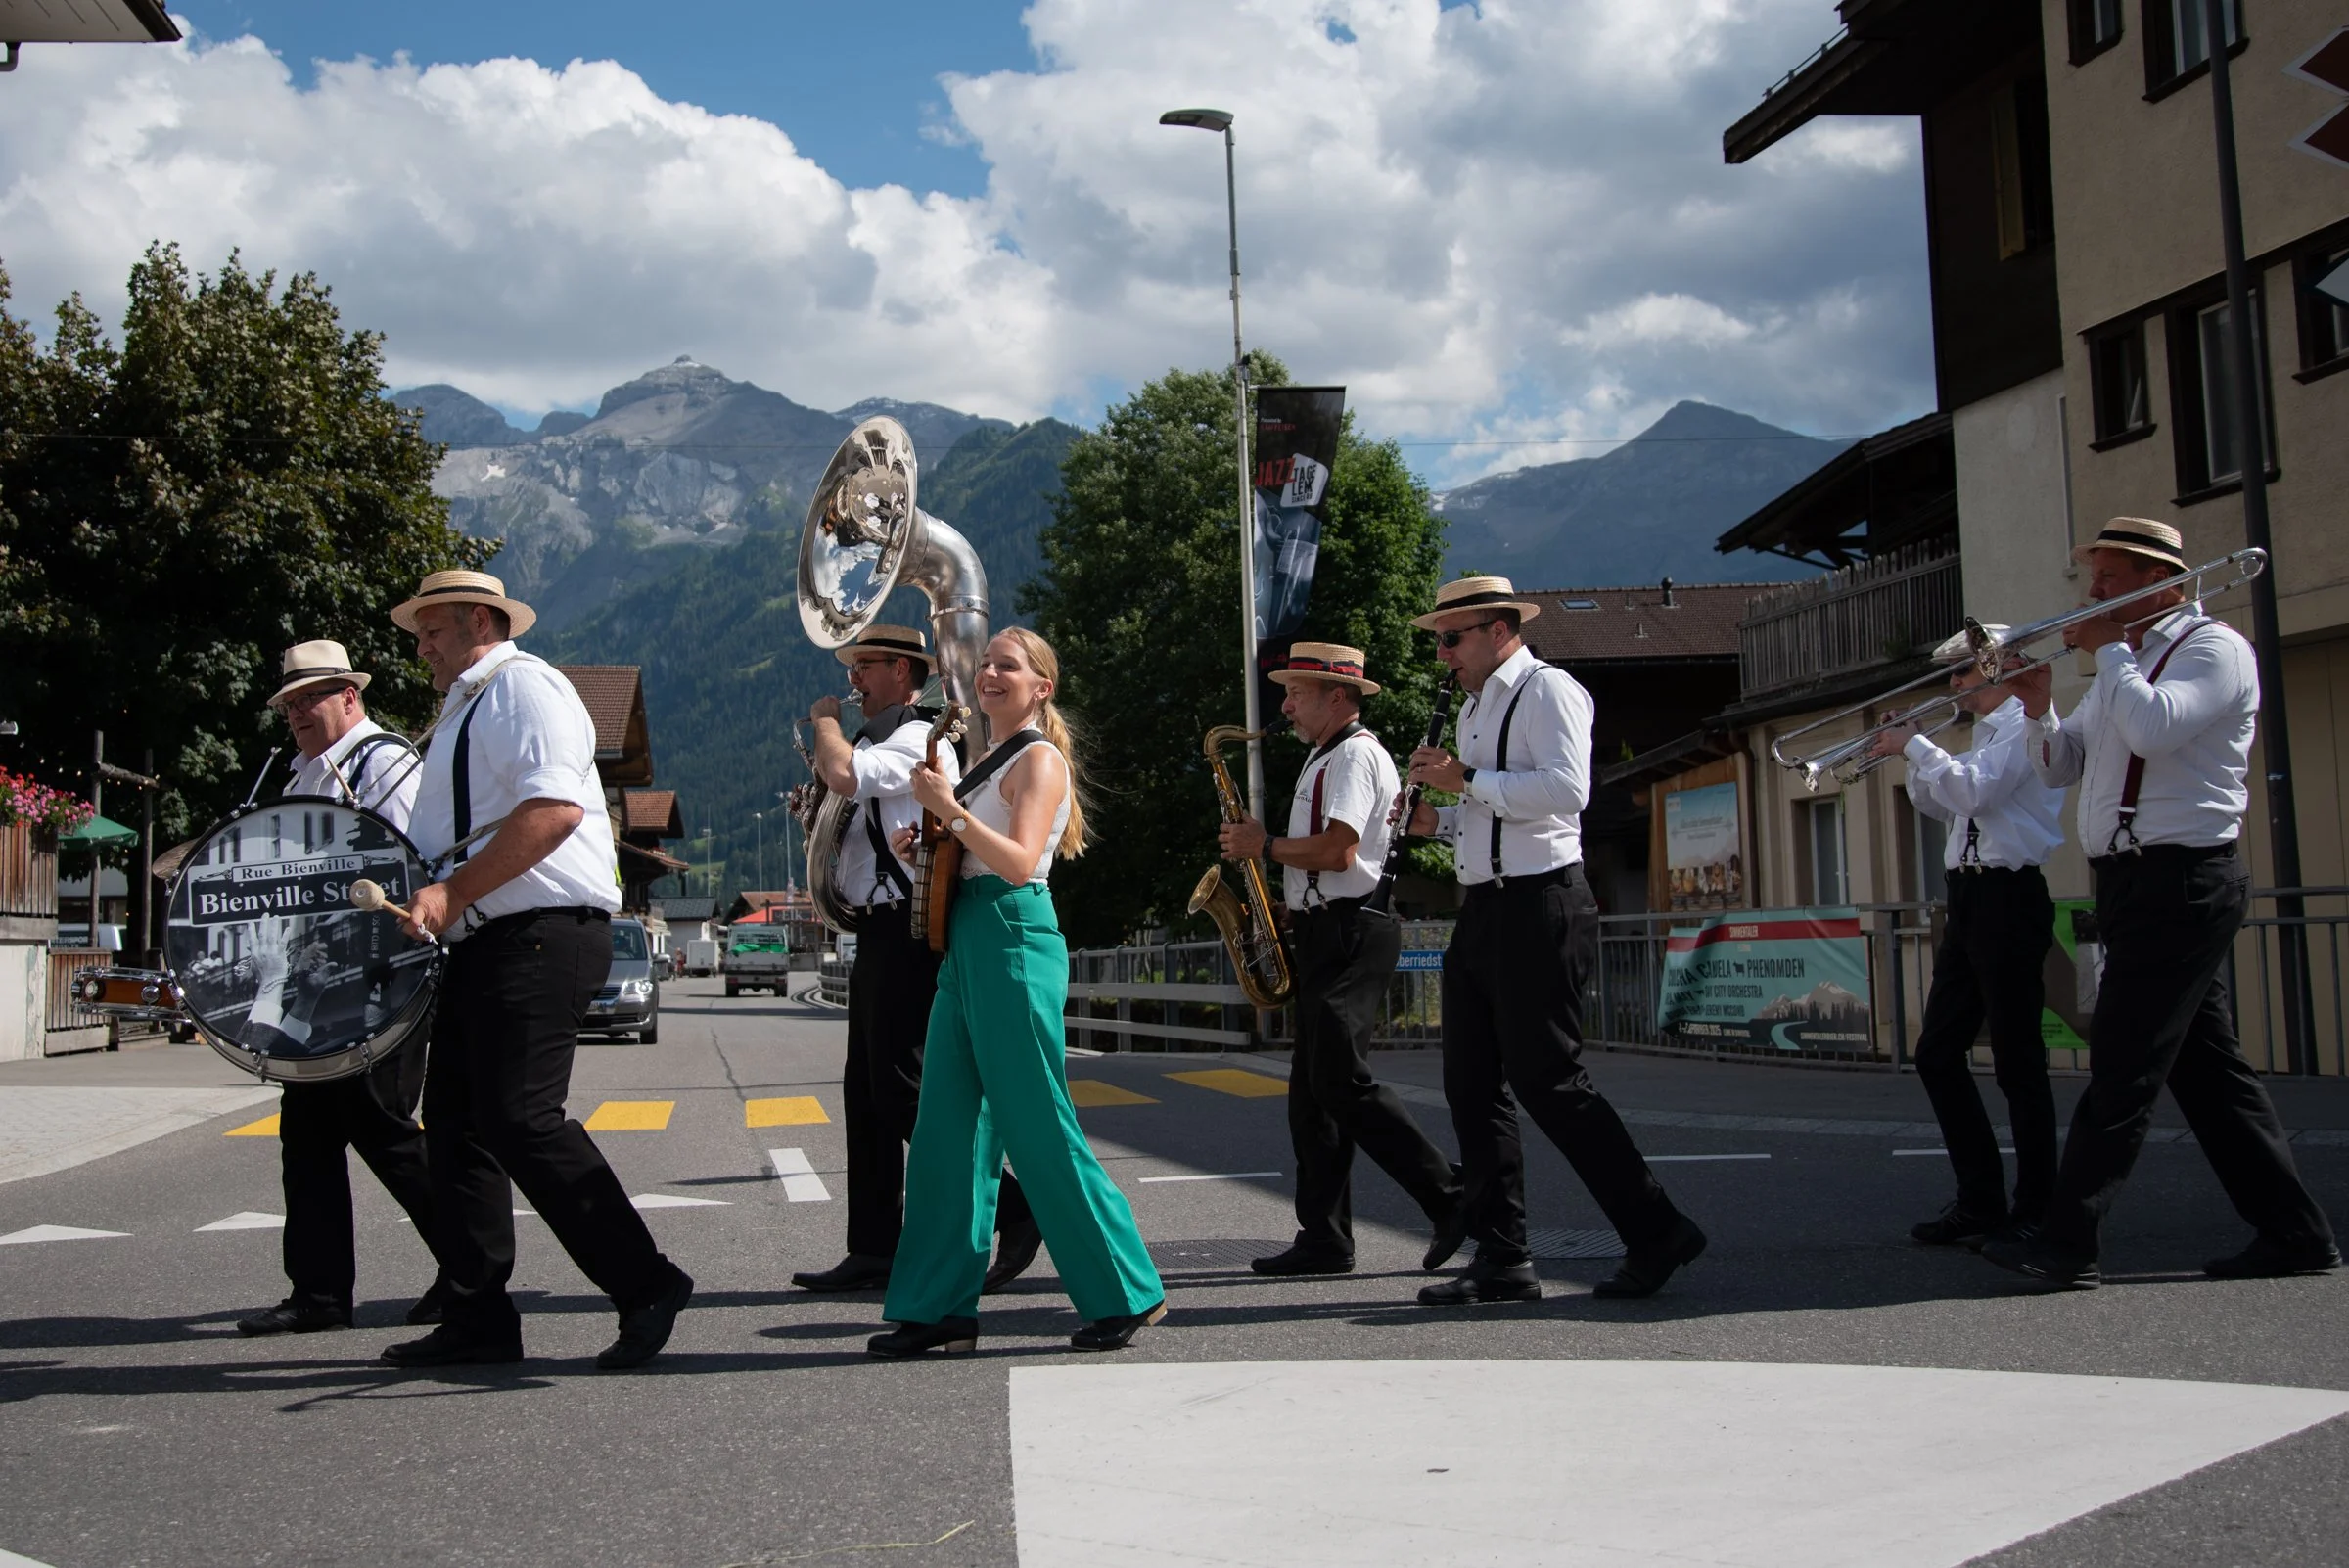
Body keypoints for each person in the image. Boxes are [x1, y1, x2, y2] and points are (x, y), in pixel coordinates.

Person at [1990, 518, 2338, 1288]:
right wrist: (2042, 708)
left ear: (2162, 581)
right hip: (2133, 883)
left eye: (2109, 577)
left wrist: (2108, 649)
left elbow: (2154, 731)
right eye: (2094, 578)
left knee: (2122, 1062)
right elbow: (2061, 768)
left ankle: (2067, 1243)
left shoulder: (2211, 649)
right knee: (2210, 1075)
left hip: (2182, 877)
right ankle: (2297, 1234)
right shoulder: (2130, 662)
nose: (2094, 593)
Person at [378, 569, 694, 1369]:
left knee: (520, 1119)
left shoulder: (521, 686)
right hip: (492, 936)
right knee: (456, 1127)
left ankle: (646, 1281)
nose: (422, 646)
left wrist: (450, 891)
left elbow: (553, 811)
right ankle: (479, 1313)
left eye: (435, 629)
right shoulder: (469, 704)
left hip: (543, 931)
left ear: (483, 621)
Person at [1405, 576, 1704, 1303]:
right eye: (1439, 640)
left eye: (1454, 638)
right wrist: (1432, 822)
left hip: (1541, 904)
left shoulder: (1548, 690)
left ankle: (1657, 1227)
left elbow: (1569, 792)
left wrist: (1464, 778)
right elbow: (1492, 813)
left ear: (1500, 630)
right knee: (1469, 1084)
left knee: (1550, 1082)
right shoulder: (1476, 704)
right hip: (1484, 906)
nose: (1443, 654)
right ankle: (1503, 1257)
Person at [867, 628, 1166, 1356]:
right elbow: (969, 857)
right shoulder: (981, 762)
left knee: (1036, 1121)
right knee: (946, 1128)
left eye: (1010, 665)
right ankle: (940, 1307)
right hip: (968, 937)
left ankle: (1126, 1291)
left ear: (1042, 687)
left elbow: (1020, 860)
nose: (990, 673)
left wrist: (951, 812)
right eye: (986, 663)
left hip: (1010, 933)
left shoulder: (1038, 758)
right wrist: (929, 842)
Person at [792, 624, 1037, 1296]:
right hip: (876, 929)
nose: (853, 680)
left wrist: (822, 725)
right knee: (864, 1095)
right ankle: (872, 1248)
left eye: (865, 666)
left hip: (907, 928)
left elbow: (844, 772)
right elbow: (847, 804)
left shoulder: (918, 740)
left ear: (903, 673)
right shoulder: (880, 740)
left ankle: (1019, 1208)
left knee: (902, 1091)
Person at [1213, 642, 1468, 1276]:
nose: (1285, 704)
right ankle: (1324, 1236)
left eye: (1296, 692)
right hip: (1329, 928)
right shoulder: (1324, 756)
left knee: (1339, 1081)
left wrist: (1263, 844)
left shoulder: (1354, 754)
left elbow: (1336, 851)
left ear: (1337, 696)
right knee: (1311, 1093)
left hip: (1352, 928)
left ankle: (1451, 1197)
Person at [237, 640, 454, 1337]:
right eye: (291, 702)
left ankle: (468, 1268)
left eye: (311, 697)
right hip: (320, 975)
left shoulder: (383, 761)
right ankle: (319, 1293)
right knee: (306, 1135)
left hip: (384, 970)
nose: (297, 711)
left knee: (381, 1124)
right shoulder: (300, 775)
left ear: (349, 698)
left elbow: (411, 854)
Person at [1865, 628, 2066, 1250]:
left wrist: (1920, 744)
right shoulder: (1980, 733)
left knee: (2017, 1061)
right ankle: (1980, 1199)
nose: (1953, 685)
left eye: (1962, 673)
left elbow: (1976, 792)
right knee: (1938, 1053)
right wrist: (1912, 755)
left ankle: (2036, 1206)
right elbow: (1945, 805)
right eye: (1951, 675)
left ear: (2004, 669)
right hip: (1970, 896)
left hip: (2009, 896)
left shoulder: (2024, 725)